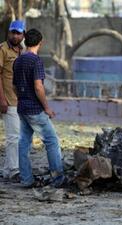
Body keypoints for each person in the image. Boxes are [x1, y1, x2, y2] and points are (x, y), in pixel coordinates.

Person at [13, 28, 64, 188]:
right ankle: (58, 179)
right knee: (52, 141)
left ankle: (26, 179)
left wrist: (22, 98)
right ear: (40, 43)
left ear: (25, 41)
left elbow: (14, 86)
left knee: (23, 143)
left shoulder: (18, 60)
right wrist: (47, 108)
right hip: (35, 109)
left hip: (22, 108)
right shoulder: (36, 61)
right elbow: (38, 87)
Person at [0, 20, 25, 181]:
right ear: (9, 33)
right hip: (7, 100)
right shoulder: (2, 49)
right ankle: (14, 170)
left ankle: (8, 170)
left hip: (19, 100)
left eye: (18, 33)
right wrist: (2, 99)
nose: (15, 36)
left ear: (23, 34)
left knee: (17, 136)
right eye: (13, 32)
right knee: (13, 137)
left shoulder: (23, 51)